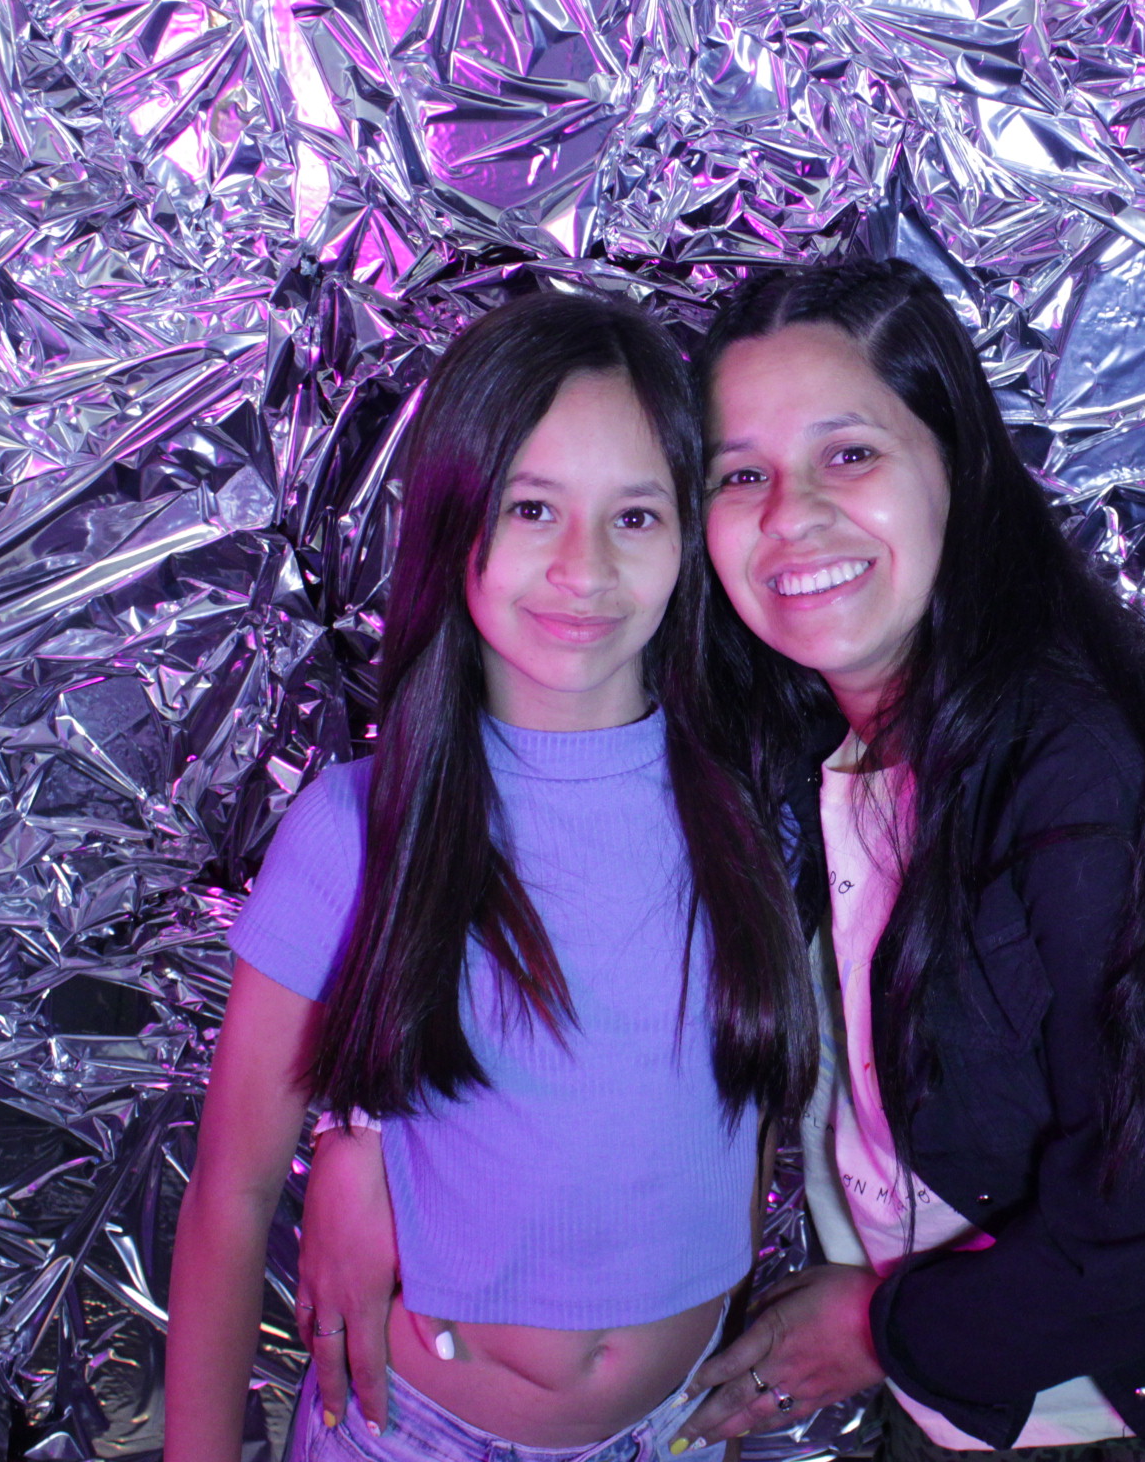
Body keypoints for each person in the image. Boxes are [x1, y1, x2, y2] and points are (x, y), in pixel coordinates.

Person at [670, 258, 1145, 1462]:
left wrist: (878, 1326)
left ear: (958, 468)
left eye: (849, 454)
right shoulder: (811, 738)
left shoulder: (1095, 781)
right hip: (974, 1370)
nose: (787, 515)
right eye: (740, 474)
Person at [163, 290, 811, 1462]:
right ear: (457, 520)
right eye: (531, 508)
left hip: (669, 1433)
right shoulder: (359, 827)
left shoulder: (748, 809)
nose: (583, 567)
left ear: (687, 540)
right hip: (412, 1434)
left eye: (634, 516)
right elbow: (232, 1194)